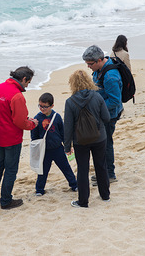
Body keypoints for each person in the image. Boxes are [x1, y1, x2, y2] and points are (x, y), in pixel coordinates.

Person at [0, 66, 38, 210]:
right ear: (23, 79)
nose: (27, 85)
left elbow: (7, 113)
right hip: (11, 138)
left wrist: (24, 120)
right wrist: (32, 124)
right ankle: (6, 200)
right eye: (28, 82)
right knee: (10, 169)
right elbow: (20, 121)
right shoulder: (17, 96)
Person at [64, 70, 110, 208]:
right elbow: (107, 118)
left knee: (83, 170)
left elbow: (68, 126)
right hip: (99, 137)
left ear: (73, 83)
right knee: (101, 166)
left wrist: (67, 146)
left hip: (80, 141)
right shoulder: (97, 97)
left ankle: (83, 202)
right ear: (89, 81)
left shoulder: (70, 102)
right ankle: (105, 195)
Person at [82, 45, 123, 184]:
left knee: (105, 145)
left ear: (99, 60)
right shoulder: (99, 68)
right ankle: (104, 172)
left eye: (90, 64)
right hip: (102, 113)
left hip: (109, 116)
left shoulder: (110, 76)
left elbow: (115, 101)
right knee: (102, 144)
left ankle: (109, 175)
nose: (88, 67)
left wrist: (96, 108)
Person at [31, 92, 77, 196]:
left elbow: (63, 133)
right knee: (42, 171)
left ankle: (74, 184)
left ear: (52, 106)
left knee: (66, 168)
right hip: (44, 150)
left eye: (45, 107)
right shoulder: (37, 118)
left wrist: (68, 146)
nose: (42, 109)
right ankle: (39, 190)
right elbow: (34, 137)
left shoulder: (57, 117)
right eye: (40, 106)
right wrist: (36, 150)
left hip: (57, 149)